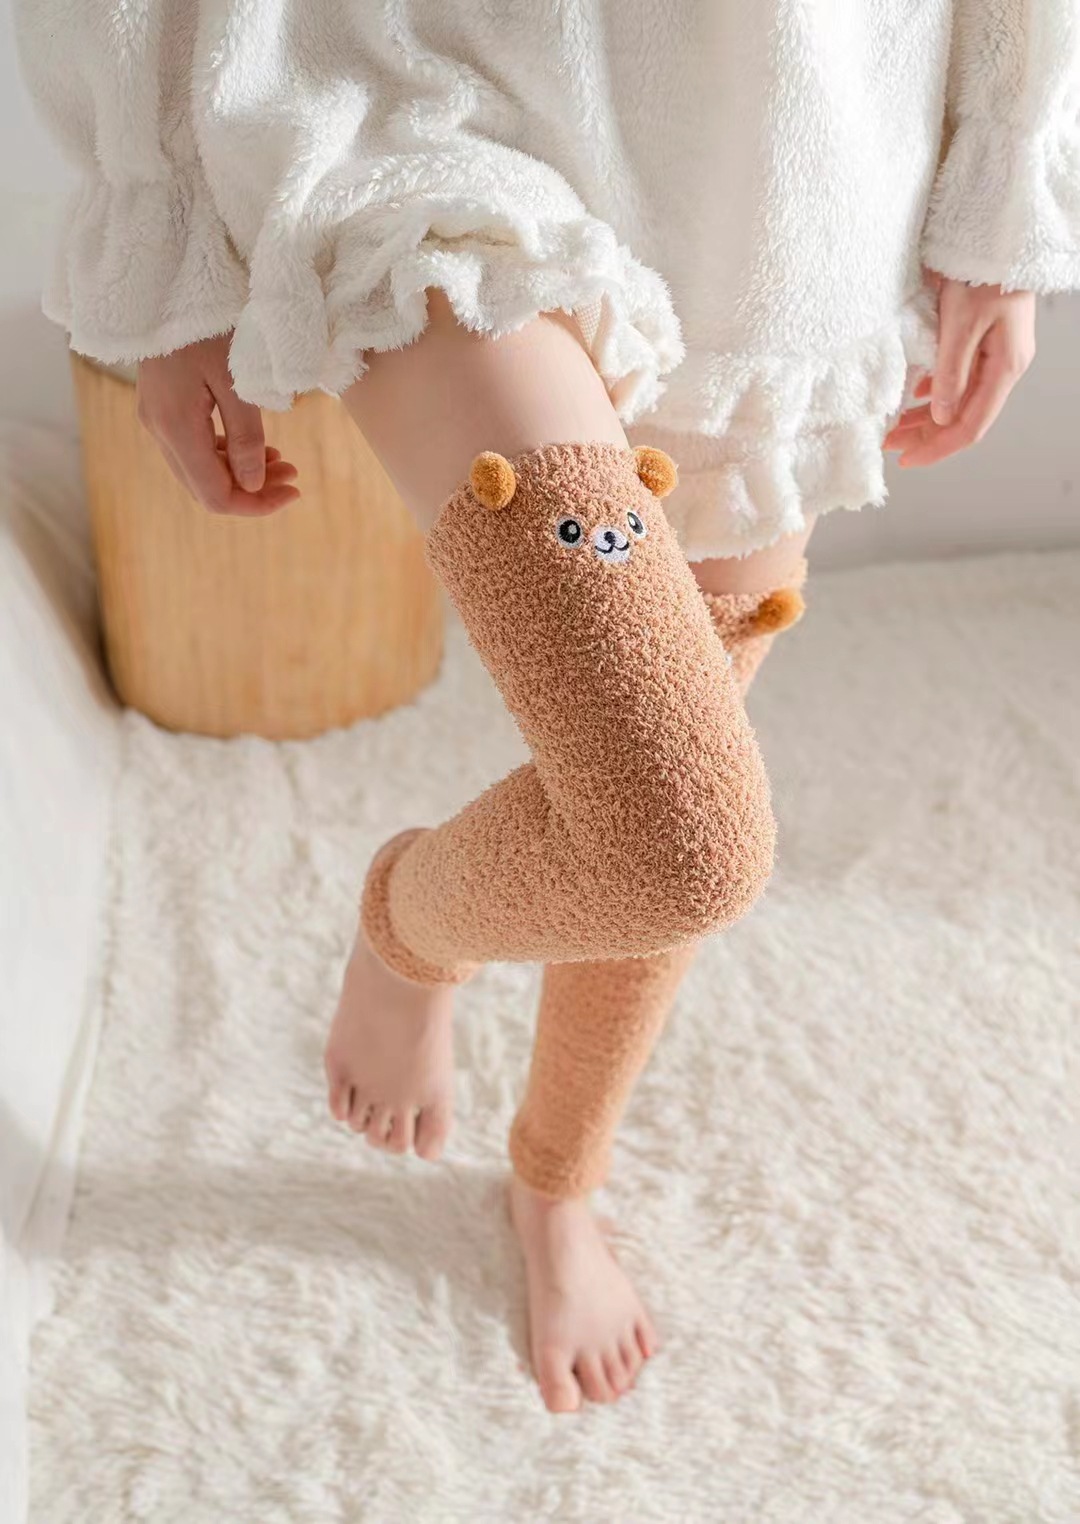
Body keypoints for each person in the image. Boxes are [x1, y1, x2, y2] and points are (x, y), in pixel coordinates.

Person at [17, 1, 1077, 1415]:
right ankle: (409, 933)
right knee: (681, 839)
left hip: (784, 149)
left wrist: (1002, 184)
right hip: (407, 92)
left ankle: (557, 1179)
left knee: (668, 761)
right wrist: (161, 244)